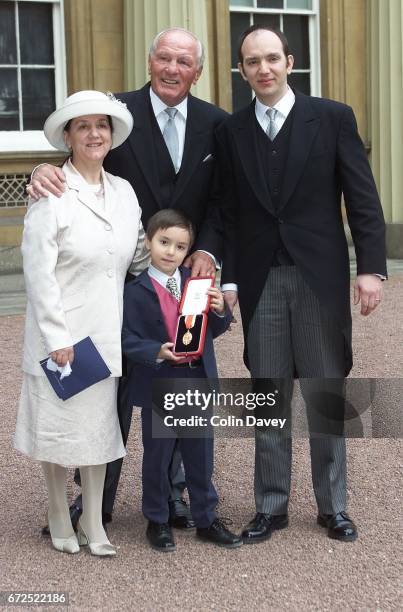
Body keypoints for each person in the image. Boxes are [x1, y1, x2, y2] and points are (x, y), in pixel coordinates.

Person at [27, 27, 228, 531]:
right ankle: (97, 501)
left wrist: (206, 253)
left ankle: (175, 496)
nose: (172, 68)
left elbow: (228, 203)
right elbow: (83, 159)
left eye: (184, 61)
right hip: (119, 289)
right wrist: (41, 171)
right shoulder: (115, 115)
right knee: (107, 399)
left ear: (197, 72)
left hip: (188, 282)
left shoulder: (218, 125)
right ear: (150, 60)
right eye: (164, 57)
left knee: (181, 390)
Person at [217, 26, 387, 543]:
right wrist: (226, 276)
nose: (263, 69)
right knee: (268, 393)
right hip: (259, 279)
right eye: (252, 62)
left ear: (289, 62)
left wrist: (371, 268)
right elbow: (225, 212)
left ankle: (332, 506)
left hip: (319, 277)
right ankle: (271, 507)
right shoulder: (231, 130)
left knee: (324, 392)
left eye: (272, 59)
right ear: (242, 71)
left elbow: (362, 197)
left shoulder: (333, 118)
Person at [14, 90, 146, 556]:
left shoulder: (125, 193)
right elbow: (38, 274)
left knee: (97, 434)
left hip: (104, 338)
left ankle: (93, 521)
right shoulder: (51, 194)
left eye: (102, 125)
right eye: (83, 126)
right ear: (68, 136)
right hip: (64, 341)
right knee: (57, 432)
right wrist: (57, 339)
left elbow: (142, 259)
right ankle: (56, 513)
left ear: (112, 135)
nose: (94, 133)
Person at [121, 208, 241, 551]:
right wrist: (156, 350)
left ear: (187, 251)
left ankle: (206, 517)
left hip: (196, 380)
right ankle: (157, 519)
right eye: (163, 242)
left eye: (179, 246)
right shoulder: (135, 291)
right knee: (157, 456)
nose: (170, 251)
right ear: (148, 242)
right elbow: (126, 338)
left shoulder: (196, 286)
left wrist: (220, 309)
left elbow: (211, 332)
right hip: (159, 380)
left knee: (200, 454)